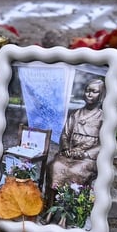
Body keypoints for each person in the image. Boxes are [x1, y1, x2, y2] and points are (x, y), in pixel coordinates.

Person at [46, 78, 105, 213]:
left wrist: (85, 153)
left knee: (76, 172)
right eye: (87, 91)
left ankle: (70, 211)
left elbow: (104, 143)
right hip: (70, 154)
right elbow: (65, 134)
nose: (89, 94)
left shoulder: (103, 117)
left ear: (101, 95)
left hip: (87, 158)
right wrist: (66, 148)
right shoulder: (75, 114)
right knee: (54, 166)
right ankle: (50, 207)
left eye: (94, 92)